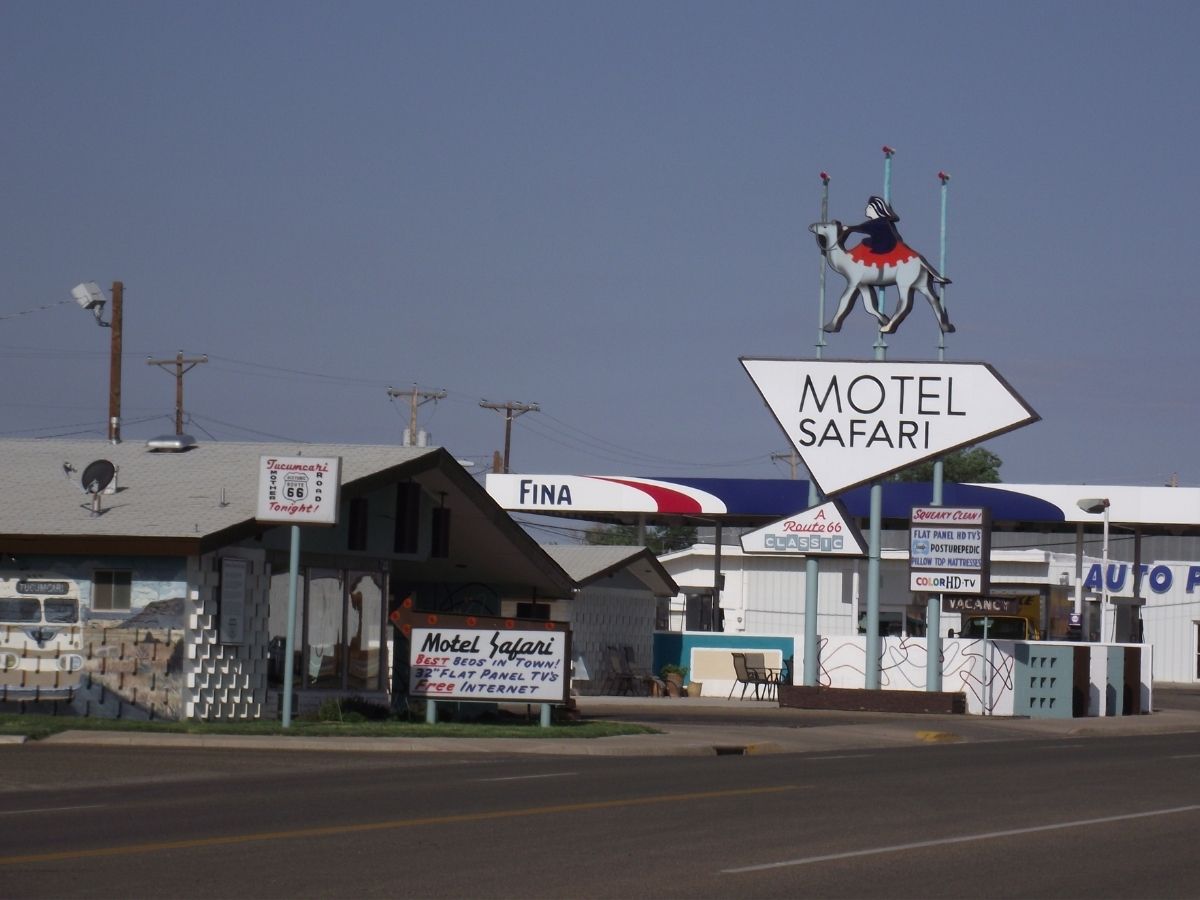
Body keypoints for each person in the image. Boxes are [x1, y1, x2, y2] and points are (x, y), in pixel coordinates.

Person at [844, 195, 915, 264]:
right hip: (885, 245)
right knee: (866, 241)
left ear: (875, 209)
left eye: (869, 207)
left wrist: (850, 228)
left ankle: (856, 261)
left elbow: (863, 227)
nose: (866, 209)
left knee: (864, 243)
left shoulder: (879, 222)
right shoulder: (880, 221)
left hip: (884, 246)